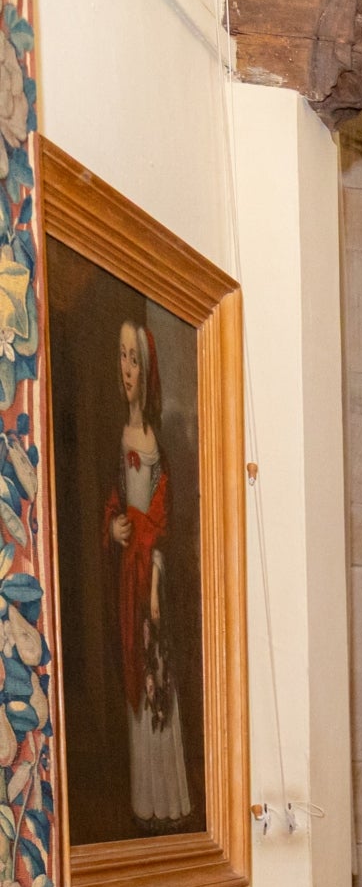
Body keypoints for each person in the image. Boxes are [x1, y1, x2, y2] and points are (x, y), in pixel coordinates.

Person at [107, 320, 192, 825]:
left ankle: (168, 801)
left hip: (150, 580)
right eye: (121, 357)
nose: (125, 369)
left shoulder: (154, 440)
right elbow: (116, 502)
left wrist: (156, 582)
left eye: (133, 358)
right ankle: (144, 800)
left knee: (159, 682)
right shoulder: (116, 438)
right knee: (137, 682)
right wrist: (113, 527)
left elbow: (160, 524)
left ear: (147, 366)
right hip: (127, 579)